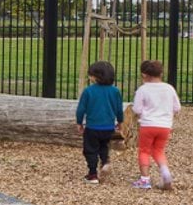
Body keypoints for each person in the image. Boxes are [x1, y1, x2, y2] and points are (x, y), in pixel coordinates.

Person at [131, 59, 181, 190]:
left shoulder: (143, 89)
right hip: (165, 126)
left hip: (148, 125)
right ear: (161, 73)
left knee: (144, 151)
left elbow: (136, 109)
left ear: (144, 75)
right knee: (158, 150)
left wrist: (142, 113)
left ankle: (144, 180)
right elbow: (177, 107)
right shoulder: (169, 88)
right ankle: (165, 173)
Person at [75, 60, 123, 183]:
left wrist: (79, 122)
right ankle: (105, 162)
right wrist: (120, 122)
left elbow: (81, 109)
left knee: (90, 149)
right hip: (108, 127)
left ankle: (92, 174)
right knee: (104, 146)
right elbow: (119, 109)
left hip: (92, 127)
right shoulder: (115, 91)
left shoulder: (88, 91)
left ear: (95, 77)